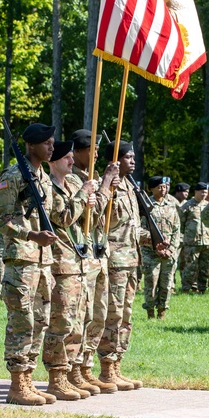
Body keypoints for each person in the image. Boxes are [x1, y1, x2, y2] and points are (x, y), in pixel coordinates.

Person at [0, 123, 59, 405]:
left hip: (43, 261)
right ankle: (17, 384)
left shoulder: (43, 176)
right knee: (22, 321)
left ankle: (29, 380)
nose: (52, 147)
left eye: (52, 142)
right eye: (46, 143)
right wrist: (31, 235)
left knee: (40, 321)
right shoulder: (14, 175)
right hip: (21, 258)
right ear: (31, 146)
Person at [99, 140, 167, 390]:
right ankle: (106, 368)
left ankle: (117, 365)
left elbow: (131, 229)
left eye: (133, 157)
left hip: (131, 260)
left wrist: (152, 239)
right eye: (128, 157)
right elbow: (107, 223)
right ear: (115, 161)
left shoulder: (130, 187)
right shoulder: (108, 186)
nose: (133, 161)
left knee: (126, 315)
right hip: (115, 260)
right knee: (113, 314)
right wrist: (110, 190)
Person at [43, 139, 104, 400]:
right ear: (53, 161)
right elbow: (62, 217)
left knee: (80, 320)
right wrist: (83, 196)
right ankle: (57, 377)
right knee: (62, 321)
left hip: (78, 261)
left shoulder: (70, 187)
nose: (71, 161)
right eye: (66, 157)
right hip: (61, 263)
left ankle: (71, 372)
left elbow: (83, 220)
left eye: (71, 156)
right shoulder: (49, 188)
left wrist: (88, 201)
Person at [70, 128, 119, 394]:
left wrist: (109, 186)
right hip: (82, 256)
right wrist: (104, 185)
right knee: (82, 316)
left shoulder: (96, 178)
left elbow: (107, 220)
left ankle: (87, 366)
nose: (98, 153)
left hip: (99, 253)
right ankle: (74, 368)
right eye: (92, 148)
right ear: (77, 151)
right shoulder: (74, 179)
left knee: (98, 314)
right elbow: (89, 213)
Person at [141, 176, 181, 319]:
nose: (162, 189)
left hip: (169, 253)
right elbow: (141, 229)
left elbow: (177, 229)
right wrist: (156, 248)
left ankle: (162, 311)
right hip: (151, 252)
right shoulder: (145, 206)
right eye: (159, 187)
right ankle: (150, 313)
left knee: (166, 284)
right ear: (151, 189)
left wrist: (171, 249)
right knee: (151, 283)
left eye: (164, 187)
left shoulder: (171, 206)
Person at [179, 182, 209, 293]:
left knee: (205, 267)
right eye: (202, 192)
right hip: (192, 242)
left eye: (205, 192)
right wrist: (188, 235)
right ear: (196, 192)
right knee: (190, 267)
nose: (204, 194)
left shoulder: (208, 205)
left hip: (207, 241)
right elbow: (181, 224)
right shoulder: (187, 205)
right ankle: (186, 289)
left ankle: (202, 289)